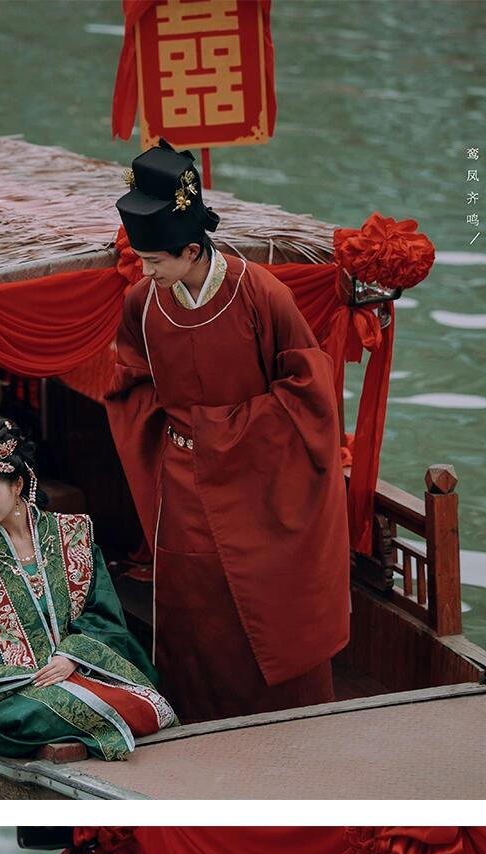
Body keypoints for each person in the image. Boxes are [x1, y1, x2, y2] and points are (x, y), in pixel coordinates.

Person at [107, 140, 351, 725]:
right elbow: (130, 386)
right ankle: (197, 727)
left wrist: (219, 433)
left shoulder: (261, 293)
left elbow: (309, 392)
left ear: (191, 249)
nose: (145, 271)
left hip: (264, 480)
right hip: (183, 482)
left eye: (155, 261)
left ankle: (298, 725)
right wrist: (172, 448)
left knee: (273, 603)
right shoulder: (143, 303)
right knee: (196, 612)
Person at [0, 416, 175, 759]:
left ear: (17, 485)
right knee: (32, 714)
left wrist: (70, 657)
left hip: (83, 667)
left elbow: (103, 612)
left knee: (150, 707)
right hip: (12, 688)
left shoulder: (74, 534)